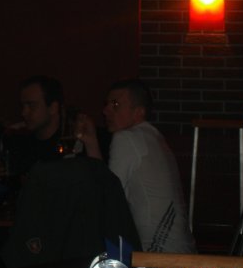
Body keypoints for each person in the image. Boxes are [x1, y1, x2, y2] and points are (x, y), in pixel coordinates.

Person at [78, 79, 196, 254]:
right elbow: (109, 186)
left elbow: (107, 198)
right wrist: (91, 142)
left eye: (115, 104)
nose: (105, 110)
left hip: (159, 255)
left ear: (138, 112)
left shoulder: (126, 138)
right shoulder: (153, 138)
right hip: (181, 253)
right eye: (106, 104)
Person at [0, 75, 65, 181]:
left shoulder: (70, 145)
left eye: (31, 106)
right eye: (22, 106)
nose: (24, 113)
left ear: (53, 108)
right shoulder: (16, 139)